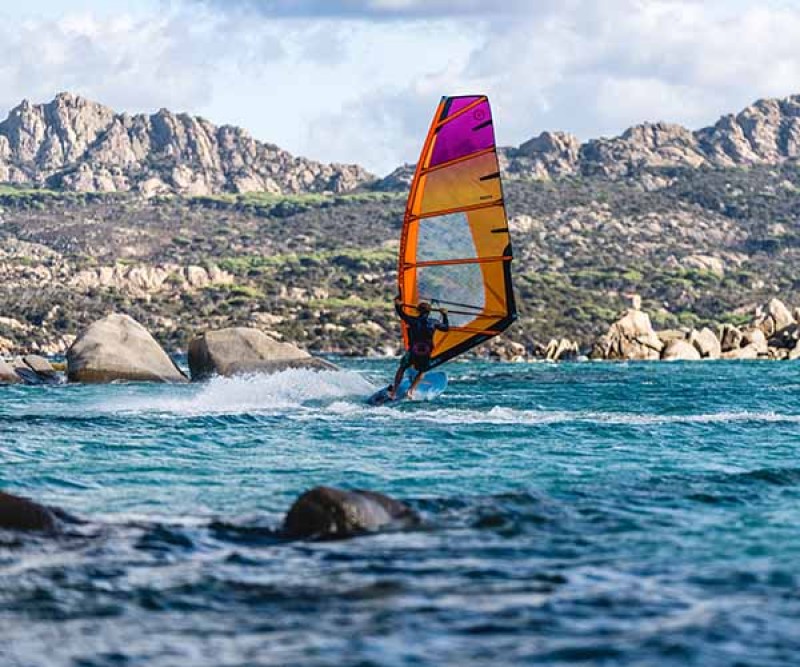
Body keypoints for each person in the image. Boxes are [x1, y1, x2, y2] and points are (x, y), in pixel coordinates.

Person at [388, 295, 449, 399]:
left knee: (402, 368)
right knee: (422, 371)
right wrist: (444, 315)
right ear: (429, 312)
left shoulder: (412, 321)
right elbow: (446, 328)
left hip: (414, 350)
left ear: (417, 311)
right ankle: (411, 391)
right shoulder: (434, 322)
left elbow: (401, 314)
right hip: (426, 351)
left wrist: (398, 306)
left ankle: (394, 391)